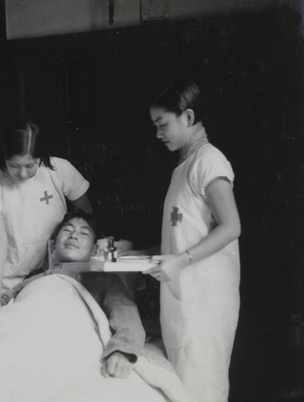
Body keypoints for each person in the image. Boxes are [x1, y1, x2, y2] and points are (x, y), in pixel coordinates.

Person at [143, 78, 241, 401]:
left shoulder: (209, 161)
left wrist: (180, 261)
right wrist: (139, 254)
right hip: (184, 304)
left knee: (203, 391)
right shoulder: (184, 167)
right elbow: (180, 239)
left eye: (162, 124)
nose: (158, 134)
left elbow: (231, 227)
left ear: (187, 117)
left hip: (206, 304)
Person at [0, 210, 145, 378]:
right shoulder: (36, 279)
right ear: (55, 244)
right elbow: (1, 306)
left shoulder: (102, 279)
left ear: (93, 249)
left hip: (62, 341)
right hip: (19, 334)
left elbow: (126, 315)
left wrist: (122, 352)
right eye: (67, 230)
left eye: (84, 233)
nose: (73, 236)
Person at [0, 121, 92, 306]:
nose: (22, 173)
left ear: (41, 158)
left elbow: (85, 215)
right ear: (4, 158)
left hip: (57, 272)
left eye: (30, 166)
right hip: (11, 276)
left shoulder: (59, 170)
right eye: (14, 166)